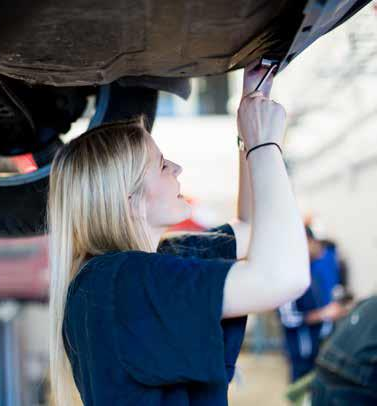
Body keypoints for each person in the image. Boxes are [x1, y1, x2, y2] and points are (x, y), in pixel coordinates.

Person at [47, 62, 310, 406]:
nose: (178, 168)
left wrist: (250, 119)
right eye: (161, 165)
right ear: (129, 199)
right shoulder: (124, 282)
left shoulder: (133, 271)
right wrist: (265, 146)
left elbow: (254, 233)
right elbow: (282, 278)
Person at [279, 227, 347, 382]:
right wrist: (324, 314)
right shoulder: (289, 277)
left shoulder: (311, 271)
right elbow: (288, 318)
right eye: (313, 243)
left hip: (318, 348)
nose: (318, 247)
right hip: (302, 353)